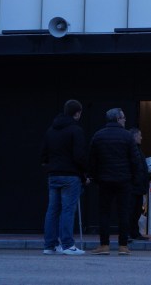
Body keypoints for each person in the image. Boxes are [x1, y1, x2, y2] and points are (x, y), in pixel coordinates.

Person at [40, 99, 89, 256]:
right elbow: (79, 156)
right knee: (68, 209)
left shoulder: (51, 130)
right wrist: (84, 174)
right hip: (70, 175)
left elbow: (43, 155)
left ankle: (50, 245)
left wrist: (50, 167)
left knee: (52, 210)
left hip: (53, 175)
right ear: (77, 113)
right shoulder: (76, 130)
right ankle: (68, 244)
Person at [88, 107, 137, 255]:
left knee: (104, 213)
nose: (125, 120)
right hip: (124, 180)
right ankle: (123, 246)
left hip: (105, 180)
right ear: (117, 119)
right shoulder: (128, 136)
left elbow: (92, 160)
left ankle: (104, 245)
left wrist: (94, 177)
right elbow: (134, 159)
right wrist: (133, 177)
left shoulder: (98, 135)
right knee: (124, 212)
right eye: (123, 118)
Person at [128, 127, 150, 241]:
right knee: (132, 210)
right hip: (134, 186)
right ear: (134, 136)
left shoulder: (137, 149)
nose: (141, 137)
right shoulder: (132, 149)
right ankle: (130, 233)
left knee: (136, 211)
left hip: (138, 186)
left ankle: (134, 232)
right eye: (139, 135)